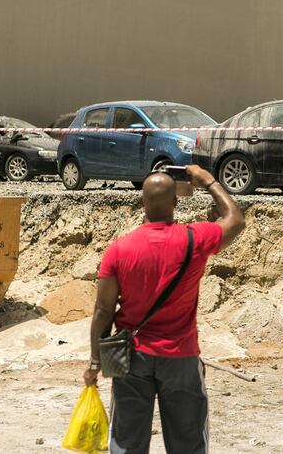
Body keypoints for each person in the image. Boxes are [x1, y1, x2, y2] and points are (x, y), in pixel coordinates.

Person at [83, 164, 245, 453]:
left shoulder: (118, 250)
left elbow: (103, 311)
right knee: (188, 442)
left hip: (130, 357)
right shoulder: (195, 240)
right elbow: (235, 220)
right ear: (175, 202)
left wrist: (95, 362)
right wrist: (208, 181)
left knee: (127, 442)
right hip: (181, 357)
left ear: (142, 202)